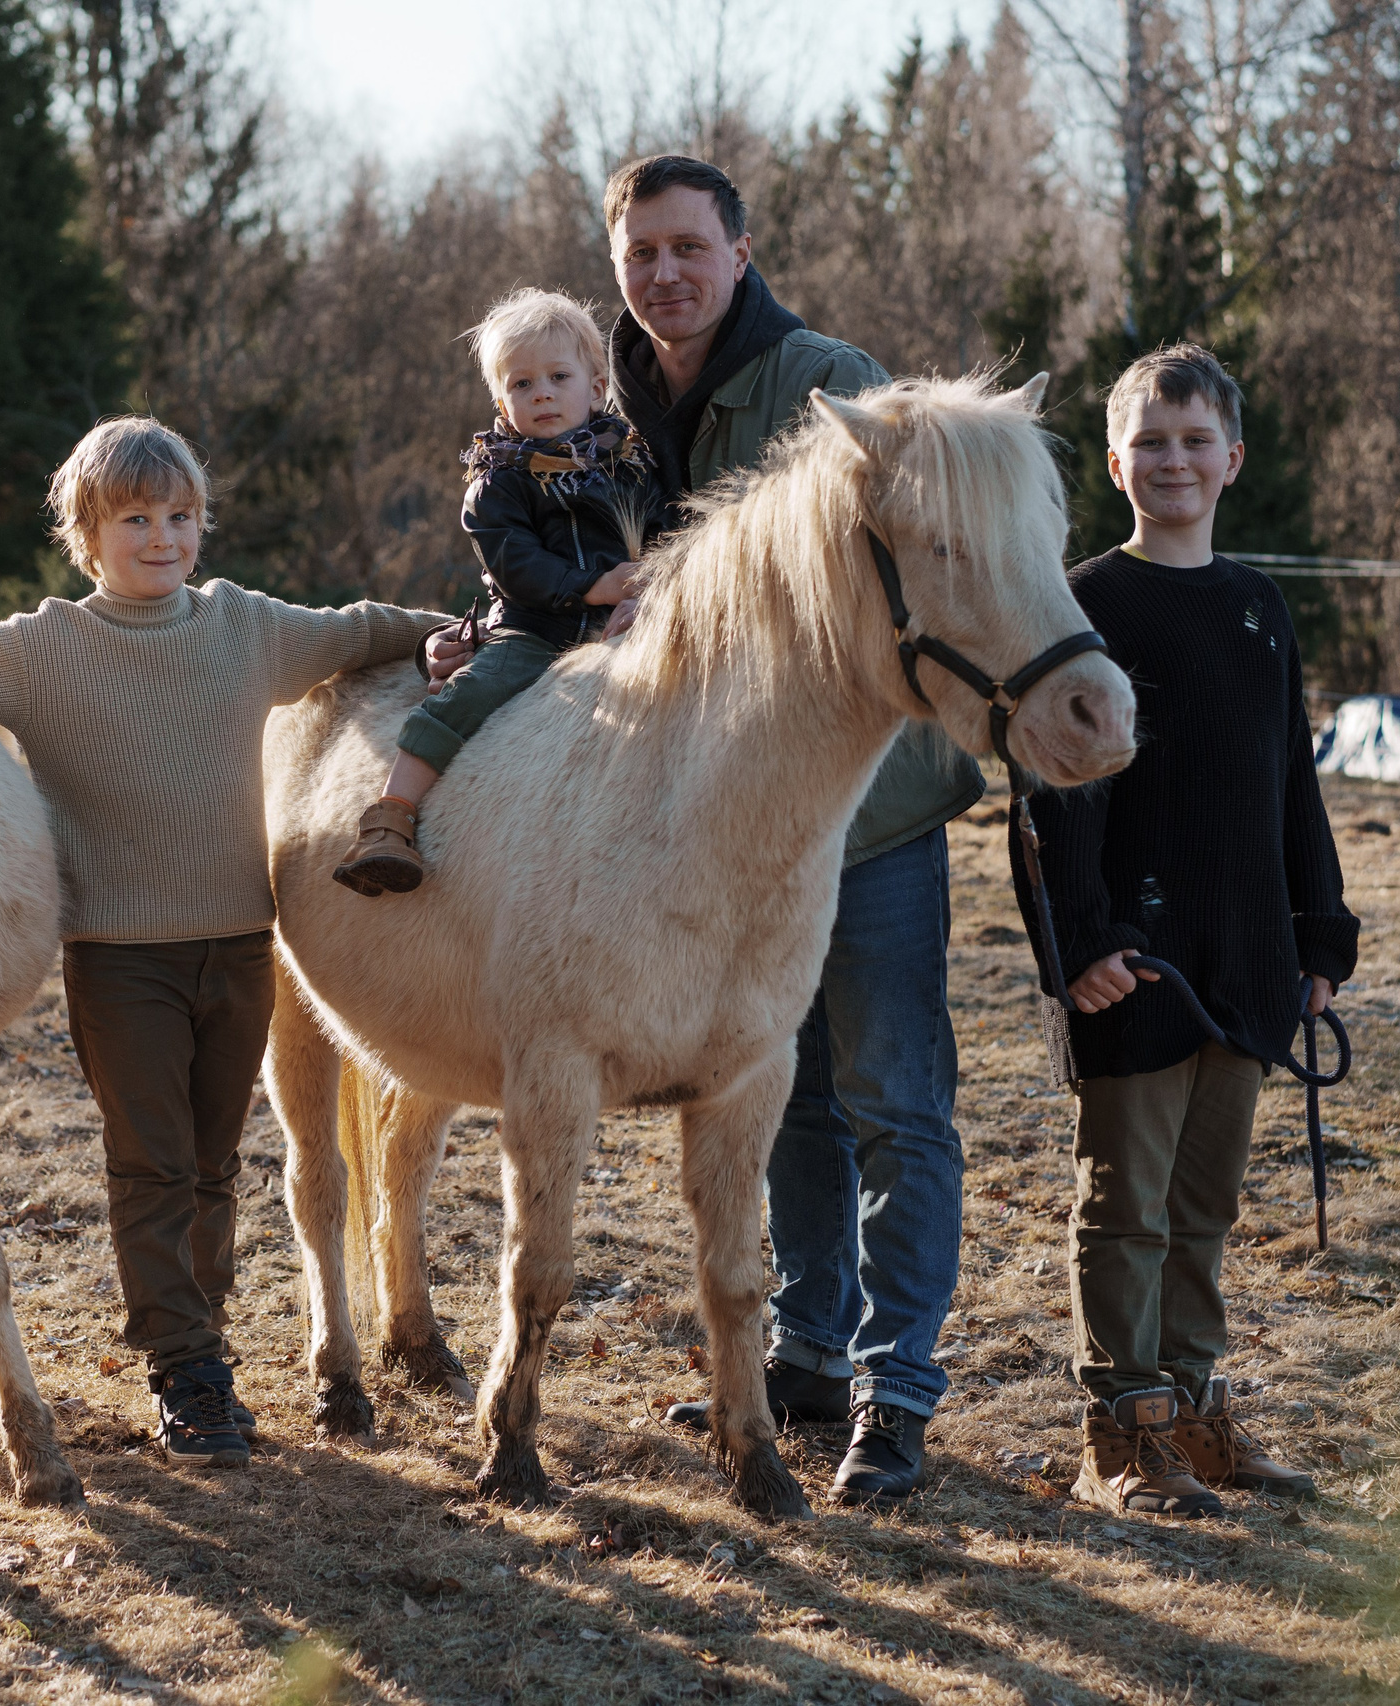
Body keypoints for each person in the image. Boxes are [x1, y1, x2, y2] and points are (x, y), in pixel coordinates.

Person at [423, 154, 984, 1504]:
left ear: (741, 250)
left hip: (859, 806)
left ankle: (896, 1388)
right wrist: (488, 630)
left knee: (892, 1098)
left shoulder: (826, 383)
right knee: (774, 1096)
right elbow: (565, 557)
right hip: (715, 825)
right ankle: (803, 1356)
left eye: (688, 246)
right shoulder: (603, 396)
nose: (665, 272)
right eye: (641, 253)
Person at [0, 417, 450, 1470]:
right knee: (151, 1165)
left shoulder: (244, 627)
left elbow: (362, 629)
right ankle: (184, 1368)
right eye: (135, 519)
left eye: (180, 516)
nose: (163, 537)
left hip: (242, 947)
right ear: (86, 536)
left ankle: (202, 1333)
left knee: (215, 1164)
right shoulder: (43, 649)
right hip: (118, 959)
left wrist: (465, 632)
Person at [1026, 342, 1357, 1518]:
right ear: (1117, 464)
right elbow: (1052, 791)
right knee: (1126, 1206)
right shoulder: (1081, 603)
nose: (1173, 460)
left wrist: (1317, 933)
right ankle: (1121, 1430)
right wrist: (1080, 945)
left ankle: (1191, 1405)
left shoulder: (1258, 605)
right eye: (1150, 442)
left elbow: (1290, 780)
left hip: (1246, 954)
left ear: (1231, 458)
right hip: (1133, 963)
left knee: (1204, 1204)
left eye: (1194, 439)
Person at [334, 289, 666, 895]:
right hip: (534, 629)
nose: (541, 393)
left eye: (558, 377)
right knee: (468, 694)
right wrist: (593, 586)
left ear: (596, 389)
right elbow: (517, 565)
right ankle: (391, 816)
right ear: (501, 403)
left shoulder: (632, 465)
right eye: (522, 383)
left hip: (626, 619)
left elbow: (668, 534)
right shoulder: (499, 482)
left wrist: (650, 589)